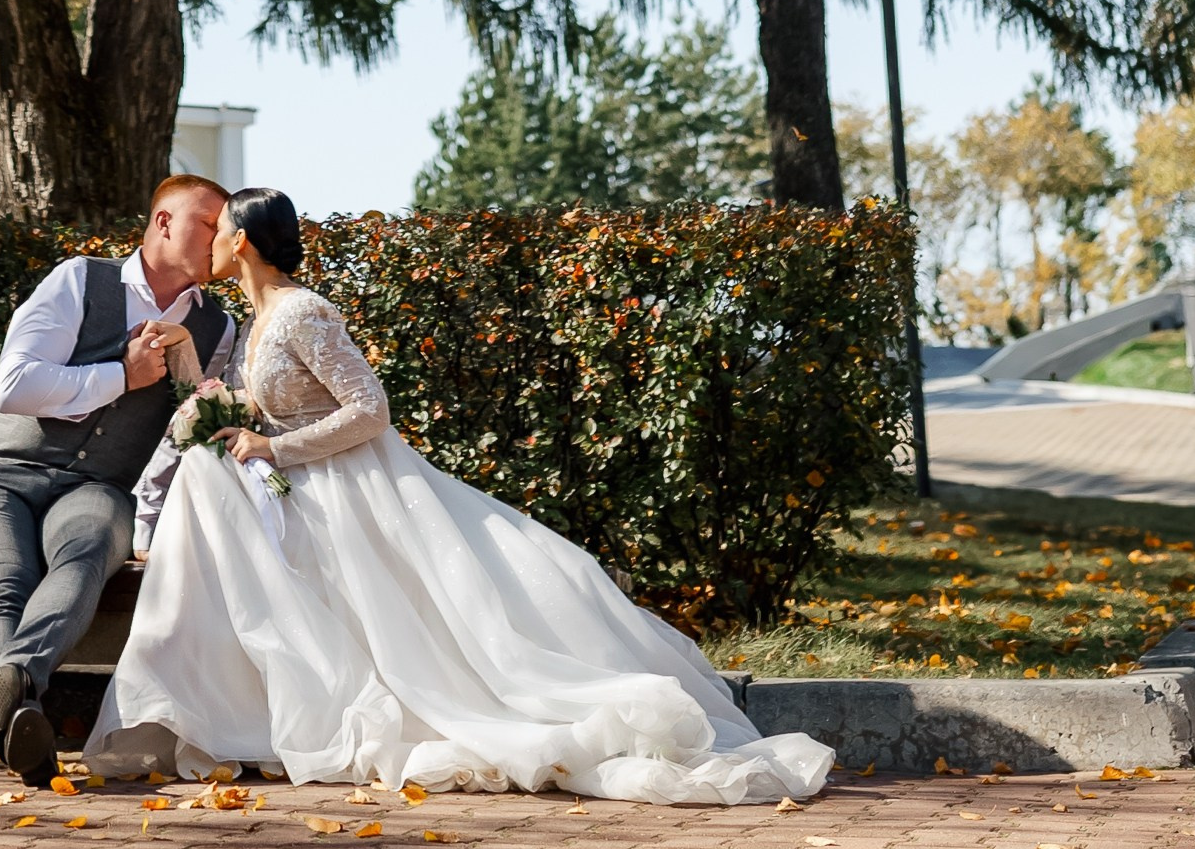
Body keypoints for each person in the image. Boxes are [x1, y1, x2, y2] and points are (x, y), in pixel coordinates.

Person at [90, 186, 835, 807]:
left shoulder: (303, 312)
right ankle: (212, 700)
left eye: (222, 228)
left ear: (245, 239)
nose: (213, 240)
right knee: (206, 482)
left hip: (351, 485)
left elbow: (369, 410)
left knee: (431, 639)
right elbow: (248, 409)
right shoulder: (259, 322)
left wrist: (274, 448)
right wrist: (192, 369)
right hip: (305, 490)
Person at [0, 172, 233, 788]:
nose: (219, 237)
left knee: (82, 561)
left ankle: (9, 702)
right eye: (208, 223)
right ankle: (18, 713)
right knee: (5, 588)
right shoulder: (80, 279)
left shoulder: (218, 328)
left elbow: (184, 434)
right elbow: (13, 385)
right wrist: (118, 376)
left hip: (97, 490)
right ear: (163, 222)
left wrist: (155, 518)